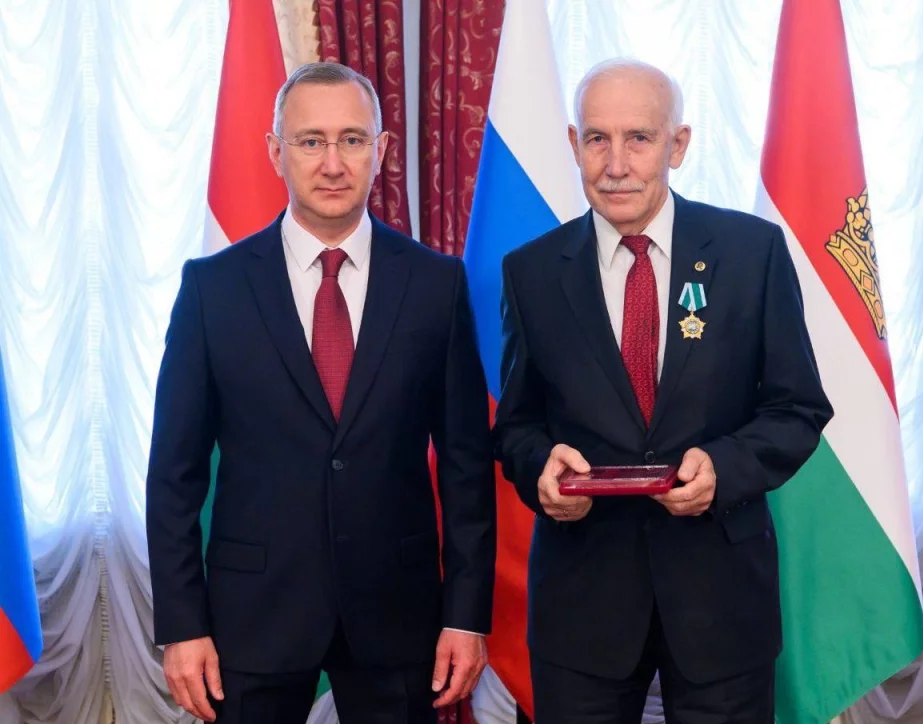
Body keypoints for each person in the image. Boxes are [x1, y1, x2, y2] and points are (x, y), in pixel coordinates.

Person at [146, 62, 496, 724]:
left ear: (381, 151)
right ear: (275, 152)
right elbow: (173, 475)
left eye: (352, 140)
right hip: (252, 617)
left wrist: (466, 616)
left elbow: (467, 470)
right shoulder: (212, 289)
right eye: (310, 141)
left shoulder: (436, 285)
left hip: (399, 614)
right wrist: (182, 625)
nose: (332, 163)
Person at [493, 58, 834, 723]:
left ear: (677, 145)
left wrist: (724, 468)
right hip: (582, 605)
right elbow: (515, 426)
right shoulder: (530, 272)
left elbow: (798, 408)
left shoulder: (751, 253)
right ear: (574, 144)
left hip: (720, 599)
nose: (616, 164)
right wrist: (539, 468)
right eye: (598, 139)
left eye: (639, 139)